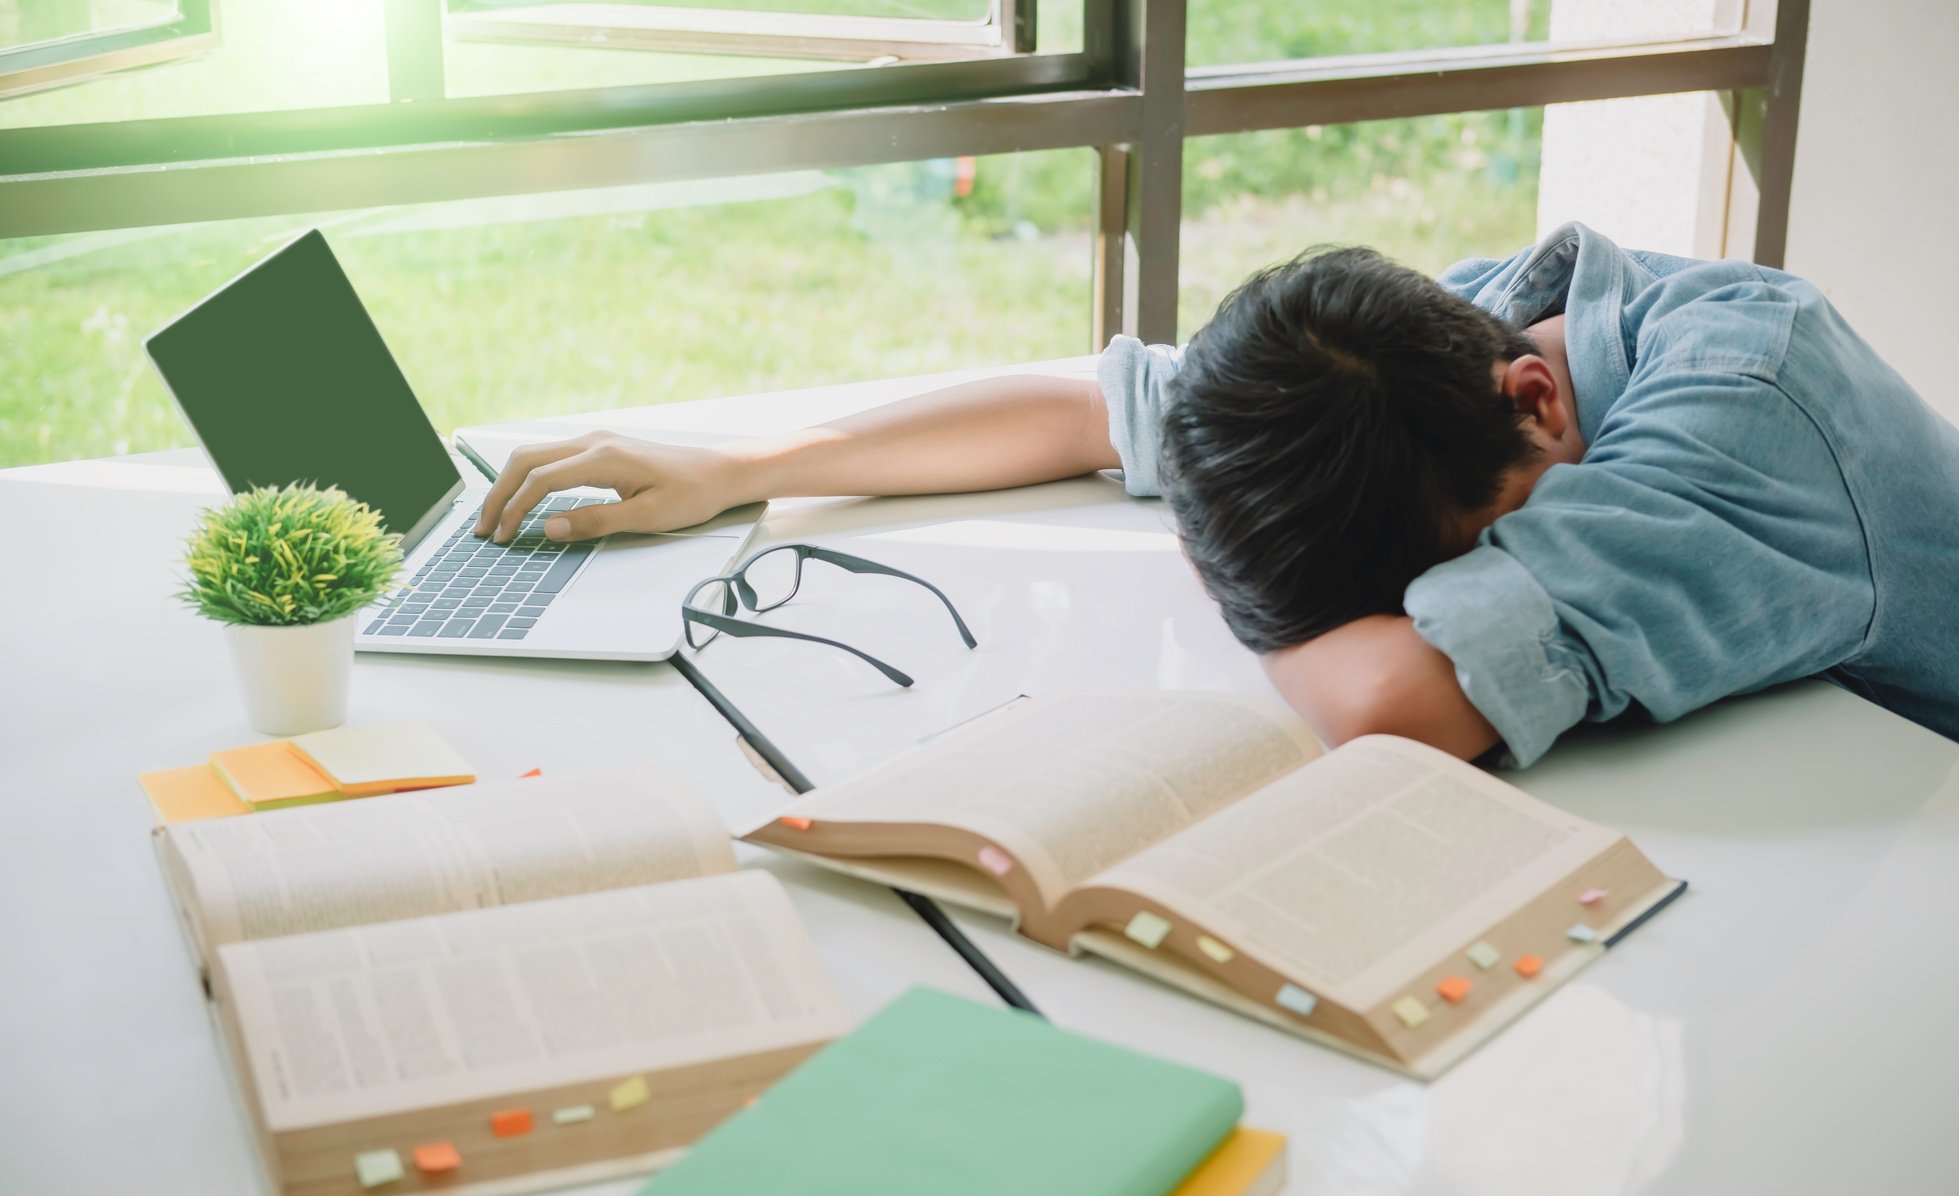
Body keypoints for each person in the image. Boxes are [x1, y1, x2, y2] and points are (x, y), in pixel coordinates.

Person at [473, 223, 1959, 766]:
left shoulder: (1736, 425)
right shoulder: (1442, 341)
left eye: (1451, 562)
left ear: (1535, 403)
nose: (1443, 588)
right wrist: (749, 469)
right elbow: (1086, 407)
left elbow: (1392, 704)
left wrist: (1241, 554)